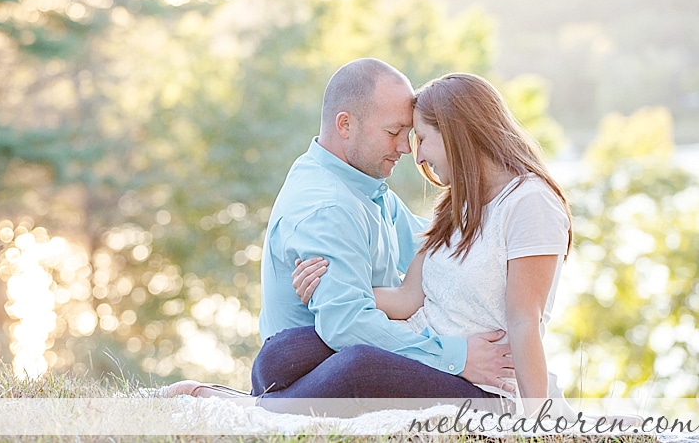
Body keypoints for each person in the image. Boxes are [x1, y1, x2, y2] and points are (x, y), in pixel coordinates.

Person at [166, 59, 514, 415]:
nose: (407, 148)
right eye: (393, 132)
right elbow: (348, 325)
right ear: (345, 124)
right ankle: (249, 409)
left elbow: (436, 252)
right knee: (344, 364)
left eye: (409, 134)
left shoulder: (364, 186)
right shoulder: (327, 207)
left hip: (333, 350)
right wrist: (458, 356)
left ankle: (239, 402)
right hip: (309, 370)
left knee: (330, 357)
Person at [294, 71, 575, 417]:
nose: (417, 155)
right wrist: (330, 286)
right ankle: (259, 405)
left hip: (483, 384)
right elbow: (407, 298)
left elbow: (524, 321)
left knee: (359, 366)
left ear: (456, 133)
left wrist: (535, 419)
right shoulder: (457, 204)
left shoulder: (529, 202)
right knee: (284, 352)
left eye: (422, 138)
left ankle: (253, 412)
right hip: (437, 355)